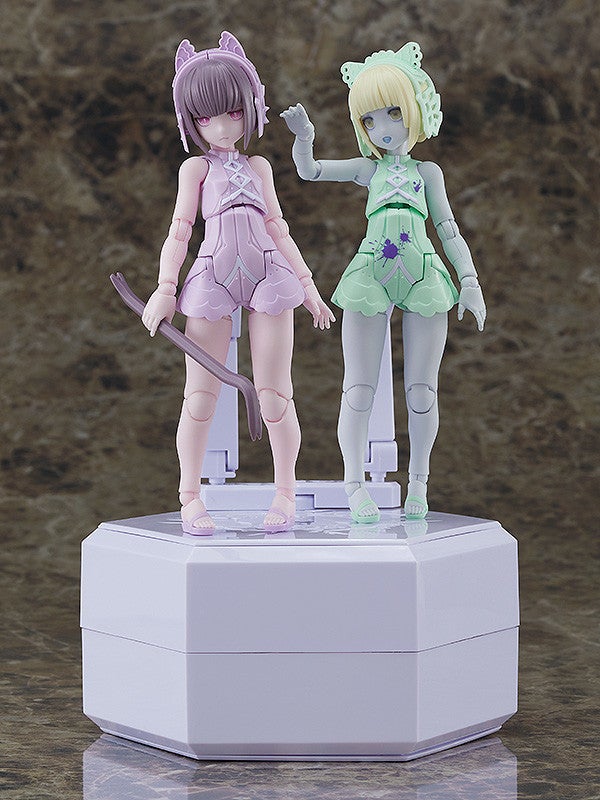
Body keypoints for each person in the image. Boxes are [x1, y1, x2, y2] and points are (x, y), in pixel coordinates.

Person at [282, 42, 485, 522]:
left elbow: (448, 228)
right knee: (358, 389)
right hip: (371, 273)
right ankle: (354, 484)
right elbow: (310, 172)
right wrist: (305, 137)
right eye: (370, 120)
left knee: (422, 392)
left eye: (394, 113)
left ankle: (419, 483)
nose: (384, 128)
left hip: (423, 273)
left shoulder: (427, 173)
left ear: (415, 110)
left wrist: (470, 279)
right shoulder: (366, 170)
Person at [143, 32, 334, 534]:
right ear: (191, 121)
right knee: (200, 397)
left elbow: (278, 228)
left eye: (232, 112)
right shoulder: (195, 168)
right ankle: (189, 495)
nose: (223, 127)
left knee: (275, 396)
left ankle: (286, 491)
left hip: (270, 274)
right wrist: (165, 288)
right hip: (212, 276)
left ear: (250, 107)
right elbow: (180, 230)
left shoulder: (259, 166)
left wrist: (309, 287)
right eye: (206, 118)